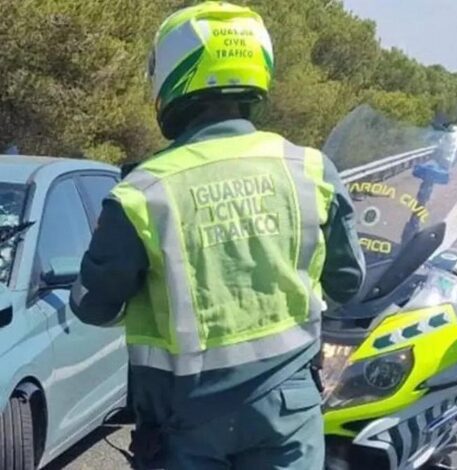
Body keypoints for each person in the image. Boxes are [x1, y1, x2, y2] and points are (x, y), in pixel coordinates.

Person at [69, 2, 366, 469]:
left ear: (171, 75)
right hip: (288, 413)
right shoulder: (310, 170)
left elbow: (93, 305)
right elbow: (348, 283)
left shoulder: (143, 191)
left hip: (186, 419)